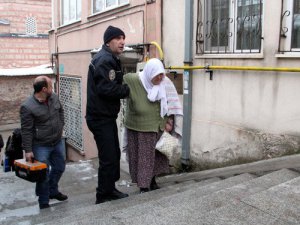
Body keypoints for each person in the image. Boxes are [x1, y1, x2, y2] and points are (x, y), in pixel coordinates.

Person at [123, 58, 183, 193]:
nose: (161, 77)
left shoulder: (164, 83)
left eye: (162, 74)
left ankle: (153, 180)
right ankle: (144, 186)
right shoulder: (133, 80)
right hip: (139, 128)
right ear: (149, 72)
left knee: (157, 157)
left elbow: (171, 104)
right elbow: (115, 84)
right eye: (158, 74)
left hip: (158, 127)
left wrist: (169, 122)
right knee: (143, 159)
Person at [86, 25, 130, 204]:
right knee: (108, 157)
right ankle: (103, 194)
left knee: (113, 155)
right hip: (100, 117)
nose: (122, 42)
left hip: (105, 116)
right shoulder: (105, 60)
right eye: (118, 38)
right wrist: (126, 90)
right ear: (108, 41)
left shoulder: (110, 58)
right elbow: (106, 88)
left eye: (123, 38)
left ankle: (109, 189)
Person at [20, 76, 67, 209]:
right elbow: (26, 130)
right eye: (51, 86)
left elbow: (61, 112)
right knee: (43, 174)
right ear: (44, 89)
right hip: (41, 145)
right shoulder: (27, 107)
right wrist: (28, 150)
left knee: (59, 167)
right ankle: (44, 200)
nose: (53, 88)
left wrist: (60, 125)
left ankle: (52, 191)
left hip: (57, 141)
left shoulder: (54, 97)